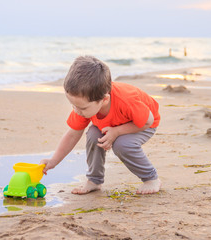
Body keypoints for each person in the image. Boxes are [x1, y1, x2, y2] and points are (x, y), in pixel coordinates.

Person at [40, 56, 161, 195]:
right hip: (111, 124)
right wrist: (54, 160)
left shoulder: (126, 100)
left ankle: (151, 178)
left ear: (104, 100)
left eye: (82, 108)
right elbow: (73, 134)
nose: (77, 111)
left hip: (141, 123)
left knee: (122, 144)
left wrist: (117, 132)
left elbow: (148, 121)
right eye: (73, 105)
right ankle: (94, 181)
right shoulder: (83, 105)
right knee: (93, 134)